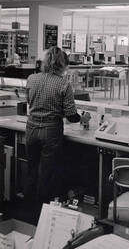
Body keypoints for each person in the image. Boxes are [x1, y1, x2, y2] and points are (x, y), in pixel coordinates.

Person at [25, 46, 91, 205]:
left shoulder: (31, 79)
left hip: (31, 128)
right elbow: (71, 115)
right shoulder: (64, 84)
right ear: (63, 64)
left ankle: (27, 205)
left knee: (32, 168)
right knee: (46, 173)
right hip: (51, 131)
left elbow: (29, 102)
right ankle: (42, 210)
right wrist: (84, 118)